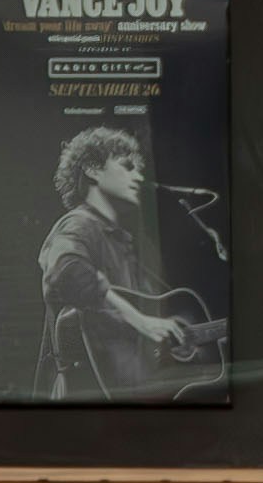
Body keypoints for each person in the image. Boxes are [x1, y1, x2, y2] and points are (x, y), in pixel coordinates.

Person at [36, 125, 226, 402]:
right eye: (127, 166)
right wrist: (141, 320)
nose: (138, 176)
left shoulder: (119, 239)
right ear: (92, 170)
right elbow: (65, 271)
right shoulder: (79, 225)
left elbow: (141, 332)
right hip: (85, 399)